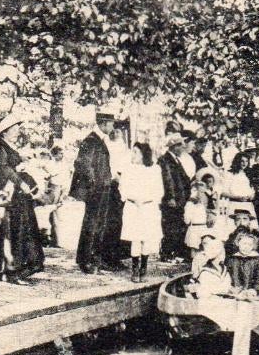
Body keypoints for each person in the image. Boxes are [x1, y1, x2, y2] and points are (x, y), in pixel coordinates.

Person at [0, 115, 45, 284]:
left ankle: (14, 269)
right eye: (14, 129)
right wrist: (20, 181)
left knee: (19, 230)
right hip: (6, 196)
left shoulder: (8, 147)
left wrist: (22, 164)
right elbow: (4, 170)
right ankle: (10, 271)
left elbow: (11, 166)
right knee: (10, 232)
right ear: (4, 132)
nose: (17, 132)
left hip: (16, 195)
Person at [70, 111, 122, 273]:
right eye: (111, 123)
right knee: (92, 224)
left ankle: (93, 259)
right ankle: (86, 261)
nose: (113, 126)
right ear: (103, 123)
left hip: (102, 188)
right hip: (96, 190)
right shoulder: (91, 140)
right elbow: (82, 164)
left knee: (98, 224)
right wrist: (95, 183)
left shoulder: (99, 140)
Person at [120, 142, 164, 283]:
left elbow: (158, 190)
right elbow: (123, 188)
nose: (133, 155)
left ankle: (143, 269)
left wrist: (147, 200)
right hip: (133, 207)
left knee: (146, 238)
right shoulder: (128, 169)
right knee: (135, 238)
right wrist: (133, 198)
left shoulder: (154, 170)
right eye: (132, 152)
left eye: (136, 152)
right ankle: (135, 269)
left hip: (148, 207)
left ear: (143, 154)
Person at [157, 132, 190, 262]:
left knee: (176, 225)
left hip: (179, 199)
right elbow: (167, 180)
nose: (183, 147)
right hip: (171, 200)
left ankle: (173, 252)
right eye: (181, 145)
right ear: (174, 146)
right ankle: (167, 253)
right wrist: (170, 197)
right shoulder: (164, 160)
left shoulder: (175, 160)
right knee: (170, 226)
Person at [228, 233, 259, 299]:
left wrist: (254, 290)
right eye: (244, 243)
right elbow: (231, 276)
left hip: (254, 293)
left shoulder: (258, 260)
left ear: (253, 246)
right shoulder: (232, 259)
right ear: (238, 243)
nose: (246, 247)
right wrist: (235, 289)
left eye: (250, 245)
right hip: (236, 292)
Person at [224, 151, 258, 222]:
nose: (244, 163)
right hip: (234, 205)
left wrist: (252, 196)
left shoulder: (249, 174)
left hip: (248, 205)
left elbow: (252, 190)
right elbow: (223, 192)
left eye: (246, 161)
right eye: (242, 161)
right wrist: (237, 197)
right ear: (237, 161)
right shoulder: (229, 174)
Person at [183, 181, 211, 258]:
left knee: (204, 247)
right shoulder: (190, 203)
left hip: (203, 227)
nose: (201, 194)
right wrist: (189, 223)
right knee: (194, 248)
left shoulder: (203, 204)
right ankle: (194, 262)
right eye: (198, 191)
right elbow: (187, 218)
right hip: (195, 228)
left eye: (203, 192)